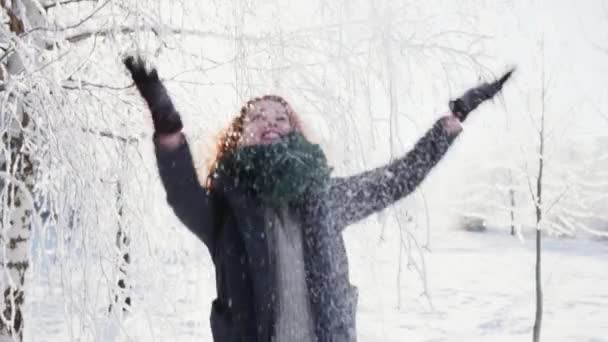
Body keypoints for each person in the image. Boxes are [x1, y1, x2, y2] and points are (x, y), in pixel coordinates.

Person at [124, 56, 513, 342]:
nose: (271, 122)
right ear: (237, 137)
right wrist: (168, 127)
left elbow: (398, 179)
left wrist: (453, 119)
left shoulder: (327, 197)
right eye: (258, 117)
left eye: (281, 118)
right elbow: (182, 194)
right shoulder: (225, 207)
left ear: (295, 132)